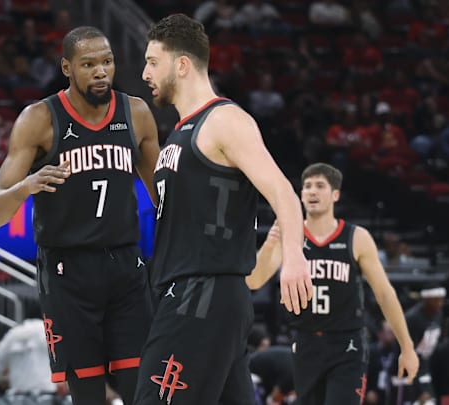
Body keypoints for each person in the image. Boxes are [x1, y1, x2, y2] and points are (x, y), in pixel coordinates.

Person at [135, 13, 312, 405]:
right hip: (203, 296)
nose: (144, 72)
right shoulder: (178, 135)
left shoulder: (225, 120)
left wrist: (295, 256)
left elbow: (282, 190)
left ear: (181, 65)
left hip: (200, 293)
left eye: (151, 62)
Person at [0, 26, 160, 405]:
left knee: (142, 389)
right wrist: (25, 186)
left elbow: (165, 198)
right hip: (67, 273)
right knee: (88, 395)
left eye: (107, 62)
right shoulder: (39, 119)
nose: (100, 72)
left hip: (125, 268)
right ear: (67, 67)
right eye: (88, 64)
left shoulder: (137, 113)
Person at [246, 162, 420, 405]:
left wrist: (407, 347)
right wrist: (271, 243)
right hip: (305, 341)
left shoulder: (356, 237)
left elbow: (384, 294)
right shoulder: (289, 236)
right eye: (307, 187)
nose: (312, 192)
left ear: (335, 194)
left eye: (320, 186)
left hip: (346, 344)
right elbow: (254, 281)